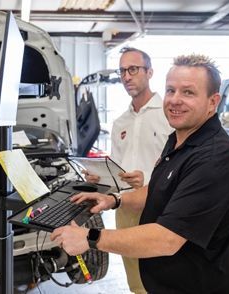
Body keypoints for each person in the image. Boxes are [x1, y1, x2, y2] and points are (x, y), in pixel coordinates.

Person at [52, 54, 229, 293]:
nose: (175, 100)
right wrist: (114, 199)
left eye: (188, 93)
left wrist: (90, 237)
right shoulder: (179, 138)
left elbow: (167, 239)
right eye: (171, 90)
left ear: (212, 102)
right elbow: (159, 189)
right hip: (169, 281)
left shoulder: (215, 158)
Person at [83, 47, 172, 294]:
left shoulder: (169, 114)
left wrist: (148, 178)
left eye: (133, 69)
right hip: (126, 209)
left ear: (150, 72)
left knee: (164, 278)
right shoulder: (121, 122)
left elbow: (181, 166)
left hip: (160, 209)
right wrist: (98, 177)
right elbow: (117, 172)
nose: (127, 76)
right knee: (137, 282)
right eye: (122, 71)